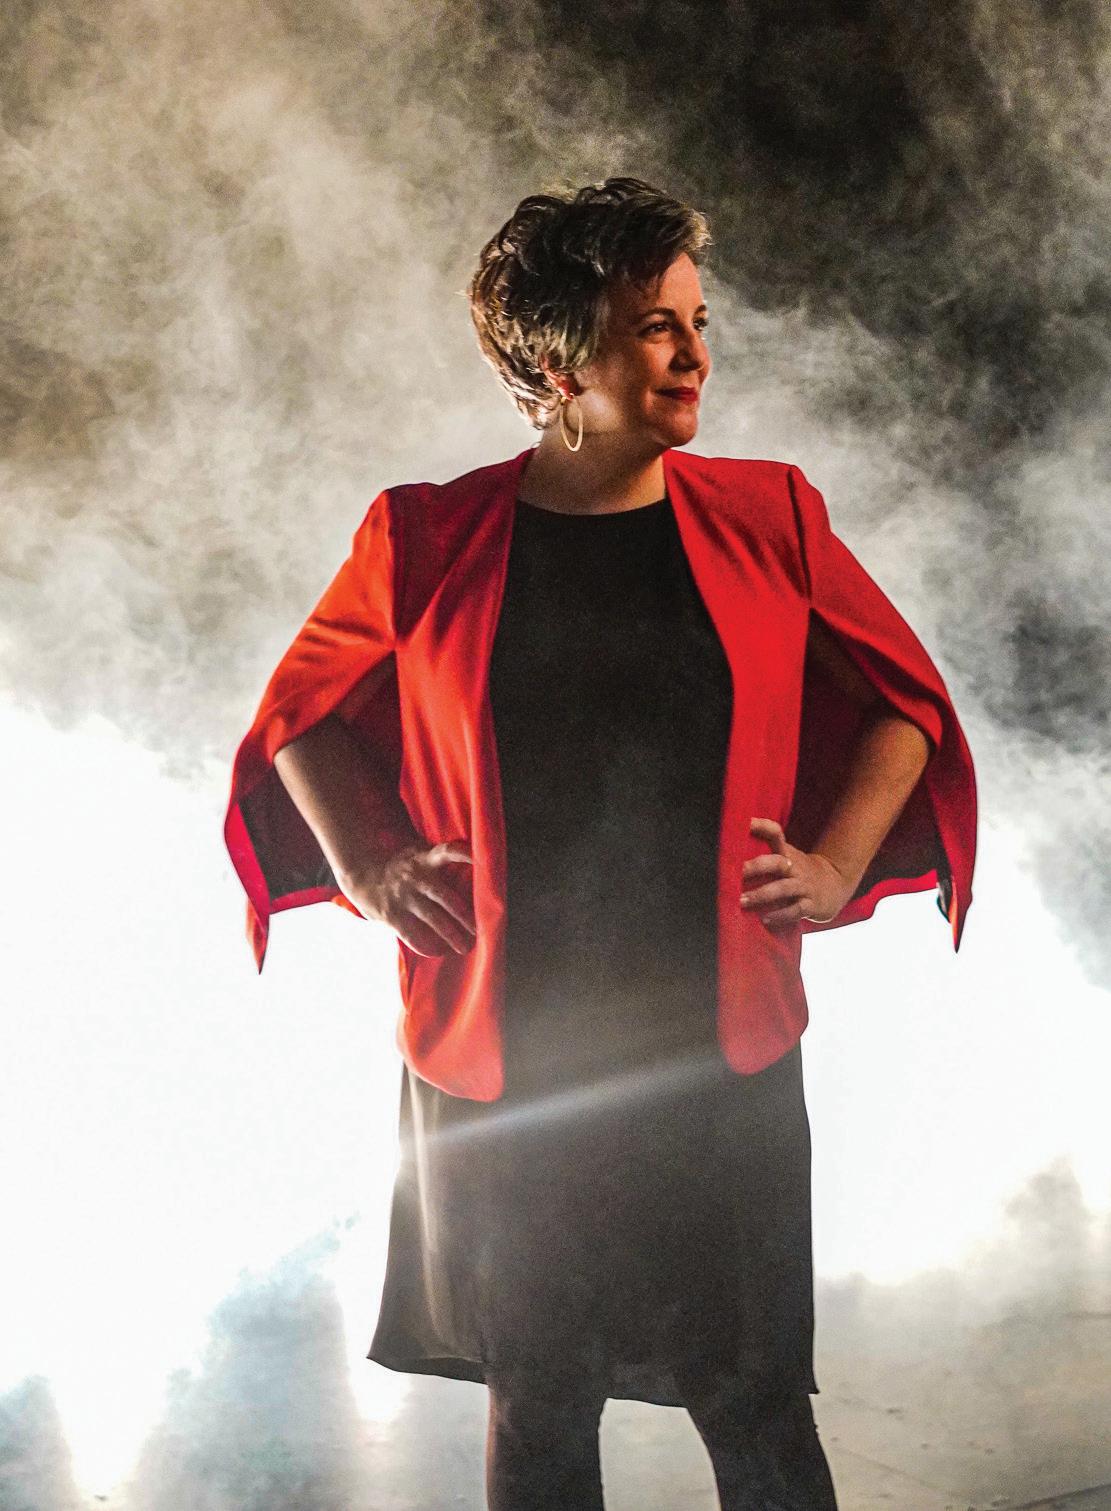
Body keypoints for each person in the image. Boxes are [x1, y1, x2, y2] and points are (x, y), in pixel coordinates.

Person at [223, 177, 977, 1510]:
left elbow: (906, 704)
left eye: (698, 322)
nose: (694, 355)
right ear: (558, 362)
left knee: (755, 1405)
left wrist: (839, 864)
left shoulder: (771, 514)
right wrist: (367, 868)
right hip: (507, 1054)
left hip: (716, 1043)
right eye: (654, 327)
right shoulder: (424, 536)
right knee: (538, 1405)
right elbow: (300, 717)